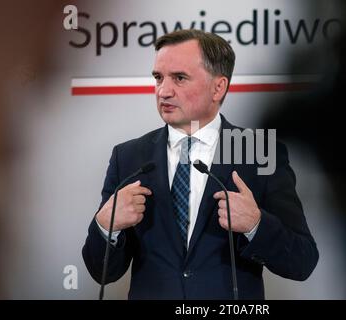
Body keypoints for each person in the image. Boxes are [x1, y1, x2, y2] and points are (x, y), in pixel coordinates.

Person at [82, 29, 318, 299]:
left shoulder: (260, 154)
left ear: (218, 87)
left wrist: (256, 224)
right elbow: (102, 272)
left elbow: (303, 261)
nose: (164, 91)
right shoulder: (129, 157)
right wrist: (106, 225)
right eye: (158, 78)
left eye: (179, 78)